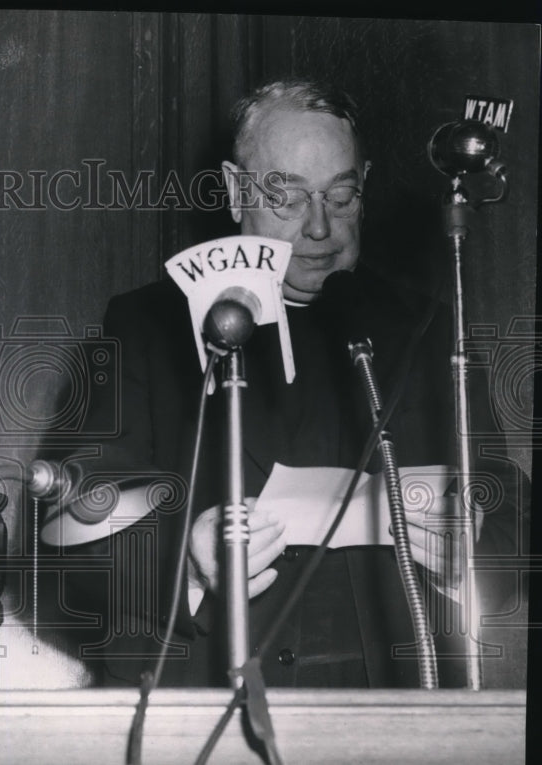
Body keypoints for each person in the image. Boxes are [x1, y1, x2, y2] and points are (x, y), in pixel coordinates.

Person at [43, 80, 522, 688]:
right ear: (234, 188)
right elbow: (74, 530)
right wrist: (188, 559)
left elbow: (507, 508)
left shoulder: (426, 327)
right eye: (288, 197)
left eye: (342, 195)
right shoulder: (146, 325)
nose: (319, 227)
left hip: (395, 710)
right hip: (204, 703)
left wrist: (467, 545)